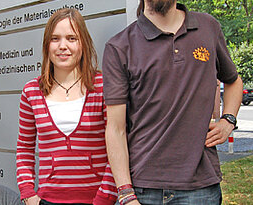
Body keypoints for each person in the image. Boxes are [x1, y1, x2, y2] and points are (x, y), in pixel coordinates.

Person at [102, 0, 243, 204]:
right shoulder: (119, 46)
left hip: (200, 187)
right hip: (143, 188)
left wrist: (228, 120)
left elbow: (233, 81)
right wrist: (125, 193)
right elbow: (116, 129)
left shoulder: (208, 27)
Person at [16, 8, 117, 205]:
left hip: (97, 200)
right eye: (55, 39)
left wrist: (105, 198)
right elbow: (25, 148)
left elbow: (117, 147)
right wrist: (28, 193)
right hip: (47, 200)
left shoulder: (103, 87)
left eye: (72, 38)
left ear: (83, 44)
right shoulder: (31, 91)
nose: (63, 46)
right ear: (47, 45)